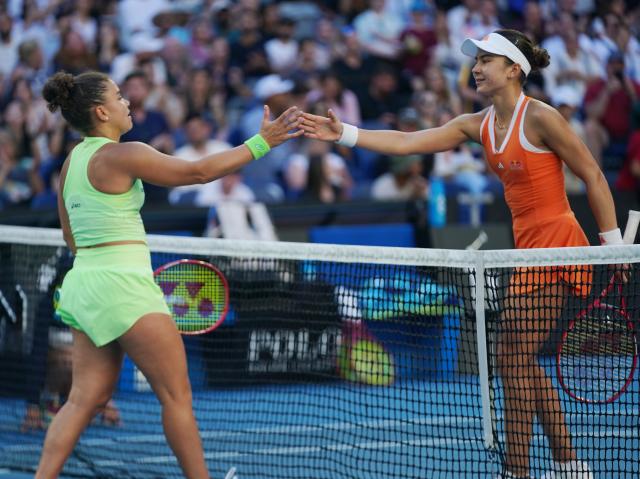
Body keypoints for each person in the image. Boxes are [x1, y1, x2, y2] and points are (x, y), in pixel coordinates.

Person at [301, 29, 624, 479]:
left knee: (512, 356)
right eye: (476, 60)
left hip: (560, 243)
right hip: (524, 251)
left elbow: (593, 174)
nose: (476, 67)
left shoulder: (543, 117)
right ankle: (569, 464)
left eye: (486, 59)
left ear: (514, 69)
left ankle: (517, 471)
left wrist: (612, 247)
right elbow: (409, 142)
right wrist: (347, 134)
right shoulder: (476, 125)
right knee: (520, 358)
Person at [37, 70, 301, 479]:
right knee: (176, 396)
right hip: (123, 285)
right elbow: (197, 173)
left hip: (85, 283)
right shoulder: (125, 154)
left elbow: (71, 237)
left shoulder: (72, 160)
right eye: (119, 97)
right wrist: (262, 142)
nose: (127, 103)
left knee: (84, 398)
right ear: (102, 111)